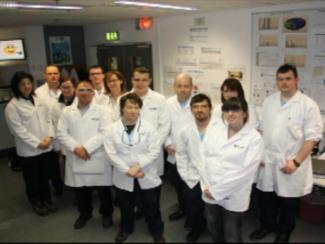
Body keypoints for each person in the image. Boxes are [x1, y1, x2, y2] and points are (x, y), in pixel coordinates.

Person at [250, 64, 323, 243]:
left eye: (288, 79)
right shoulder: (269, 101)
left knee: (288, 201)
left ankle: (285, 231)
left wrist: (296, 162)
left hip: (291, 161)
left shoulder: (308, 105)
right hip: (268, 159)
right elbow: (260, 129)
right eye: (280, 79)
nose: (284, 83)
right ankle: (267, 225)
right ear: (277, 81)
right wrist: (258, 154)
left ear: (296, 80)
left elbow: (312, 138)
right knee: (266, 197)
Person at [200, 97, 264, 243]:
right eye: (227, 110)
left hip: (234, 194)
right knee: (213, 227)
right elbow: (202, 157)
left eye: (236, 110)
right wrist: (206, 186)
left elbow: (245, 172)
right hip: (209, 189)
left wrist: (217, 191)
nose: (230, 114)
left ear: (245, 113)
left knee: (232, 234)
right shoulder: (215, 129)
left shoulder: (254, 138)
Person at [104, 93, 165, 243]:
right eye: (129, 107)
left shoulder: (149, 128)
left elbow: (154, 151)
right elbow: (110, 153)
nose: (132, 110)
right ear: (122, 109)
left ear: (140, 110)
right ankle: (126, 229)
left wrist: (137, 167)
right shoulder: (111, 129)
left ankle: (156, 231)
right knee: (126, 205)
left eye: (136, 107)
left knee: (152, 205)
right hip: (123, 174)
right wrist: (127, 170)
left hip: (145, 172)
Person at [57, 80, 114, 230]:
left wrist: (86, 149)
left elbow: (105, 132)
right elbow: (61, 132)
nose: (85, 93)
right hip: (76, 155)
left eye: (88, 90)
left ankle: (106, 214)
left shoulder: (104, 111)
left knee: (104, 190)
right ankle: (84, 214)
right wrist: (76, 148)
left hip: (97, 154)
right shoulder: (67, 111)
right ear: (76, 91)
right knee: (81, 189)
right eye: (81, 90)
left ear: (93, 93)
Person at [5, 71, 57, 216]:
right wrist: (37, 143)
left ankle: (47, 199)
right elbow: (17, 131)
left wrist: (50, 137)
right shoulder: (12, 106)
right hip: (28, 150)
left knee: (44, 176)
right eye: (23, 84)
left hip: (46, 146)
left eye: (29, 83)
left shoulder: (39, 99)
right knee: (32, 178)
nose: (27, 86)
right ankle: (36, 202)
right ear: (16, 86)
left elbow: (49, 120)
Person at [175, 93, 212, 242]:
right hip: (193, 175)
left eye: (203, 106)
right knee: (191, 202)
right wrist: (185, 175)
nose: (199, 110)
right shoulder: (185, 130)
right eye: (196, 107)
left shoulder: (221, 128)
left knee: (215, 207)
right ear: (191, 110)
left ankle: (215, 228)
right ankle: (197, 228)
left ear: (210, 109)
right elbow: (181, 155)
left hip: (214, 175)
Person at [125, 67, 170, 176]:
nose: (140, 83)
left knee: (151, 188)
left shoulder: (160, 99)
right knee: (129, 187)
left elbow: (164, 126)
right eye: (137, 80)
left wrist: (153, 146)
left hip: (152, 151)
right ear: (132, 80)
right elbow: (117, 126)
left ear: (149, 81)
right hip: (128, 150)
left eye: (144, 80)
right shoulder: (123, 99)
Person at [165, 73, 194, 222]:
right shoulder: (168, 103)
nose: (183, 89)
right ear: (174, 87)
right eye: (180, 86)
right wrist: (167, 142)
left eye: (186, 86)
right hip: (174, 152)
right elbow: (164, 126)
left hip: (192, 154)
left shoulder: (198, 102)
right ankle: (182, 209)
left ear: (192, 87)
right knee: (177, 184)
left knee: (191, 187)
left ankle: (193, 216)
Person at [35, 64, 63, 195]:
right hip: (50, 134)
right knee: (53, 165)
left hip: (67, 132)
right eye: (50, 73)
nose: (53, 76)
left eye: (55, 73)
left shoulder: (65, 89)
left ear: (59, 75)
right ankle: (58, 187)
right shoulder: (38, 93)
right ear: (45, 76)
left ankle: (76, 187)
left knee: (71, 162)